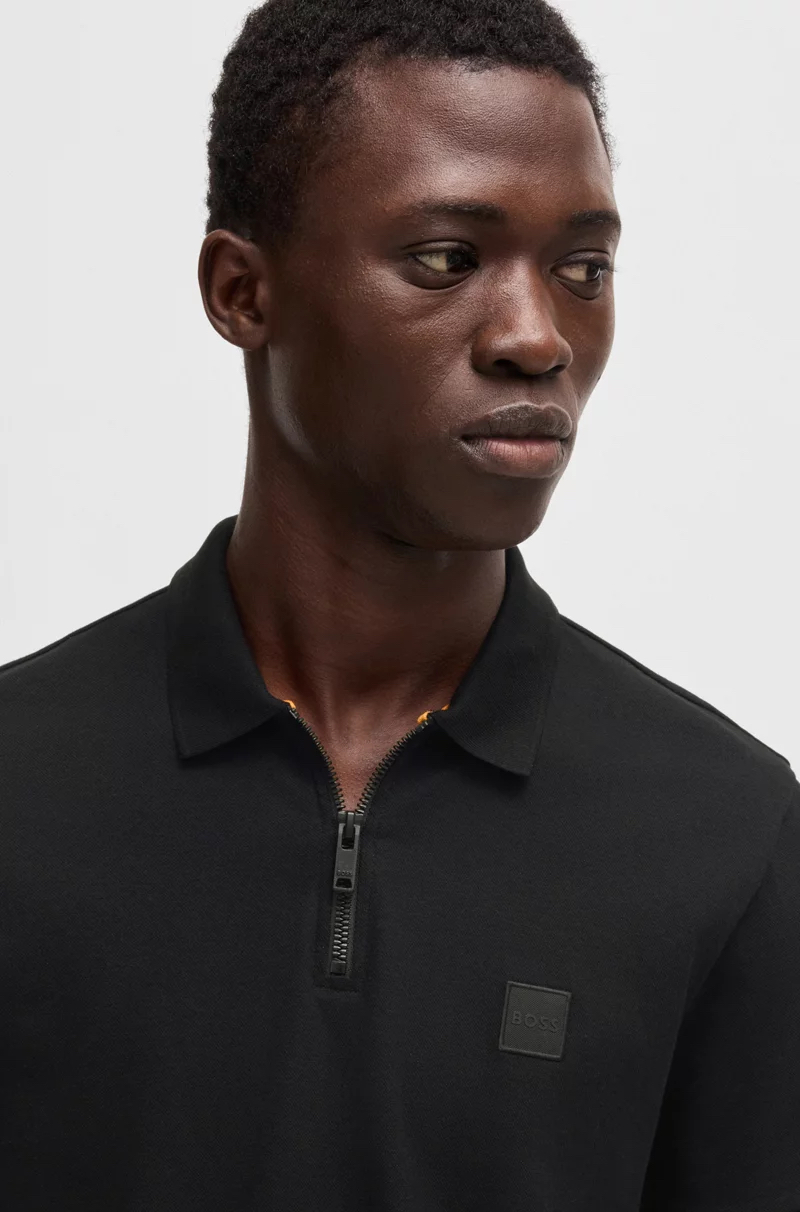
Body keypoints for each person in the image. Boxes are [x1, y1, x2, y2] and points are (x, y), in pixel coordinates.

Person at [1, 0, 798, 1208]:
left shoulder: (725, 833)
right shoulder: (19, 785)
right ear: (241, 292)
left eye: (582, 270)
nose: (536, 338)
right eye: (445, 259)